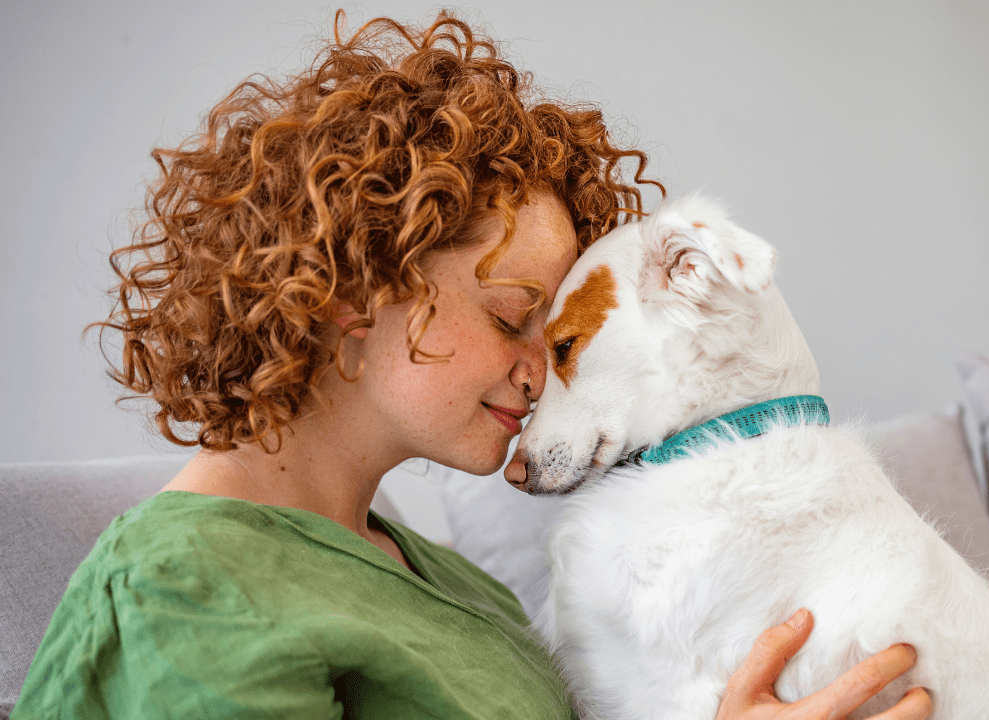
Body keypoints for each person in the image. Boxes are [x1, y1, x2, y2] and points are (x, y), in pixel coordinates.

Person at [14, 12, 932, 720]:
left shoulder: (452, 585)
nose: (545, 376)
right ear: (350, 290)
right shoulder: (179, 593)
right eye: (512, 318)